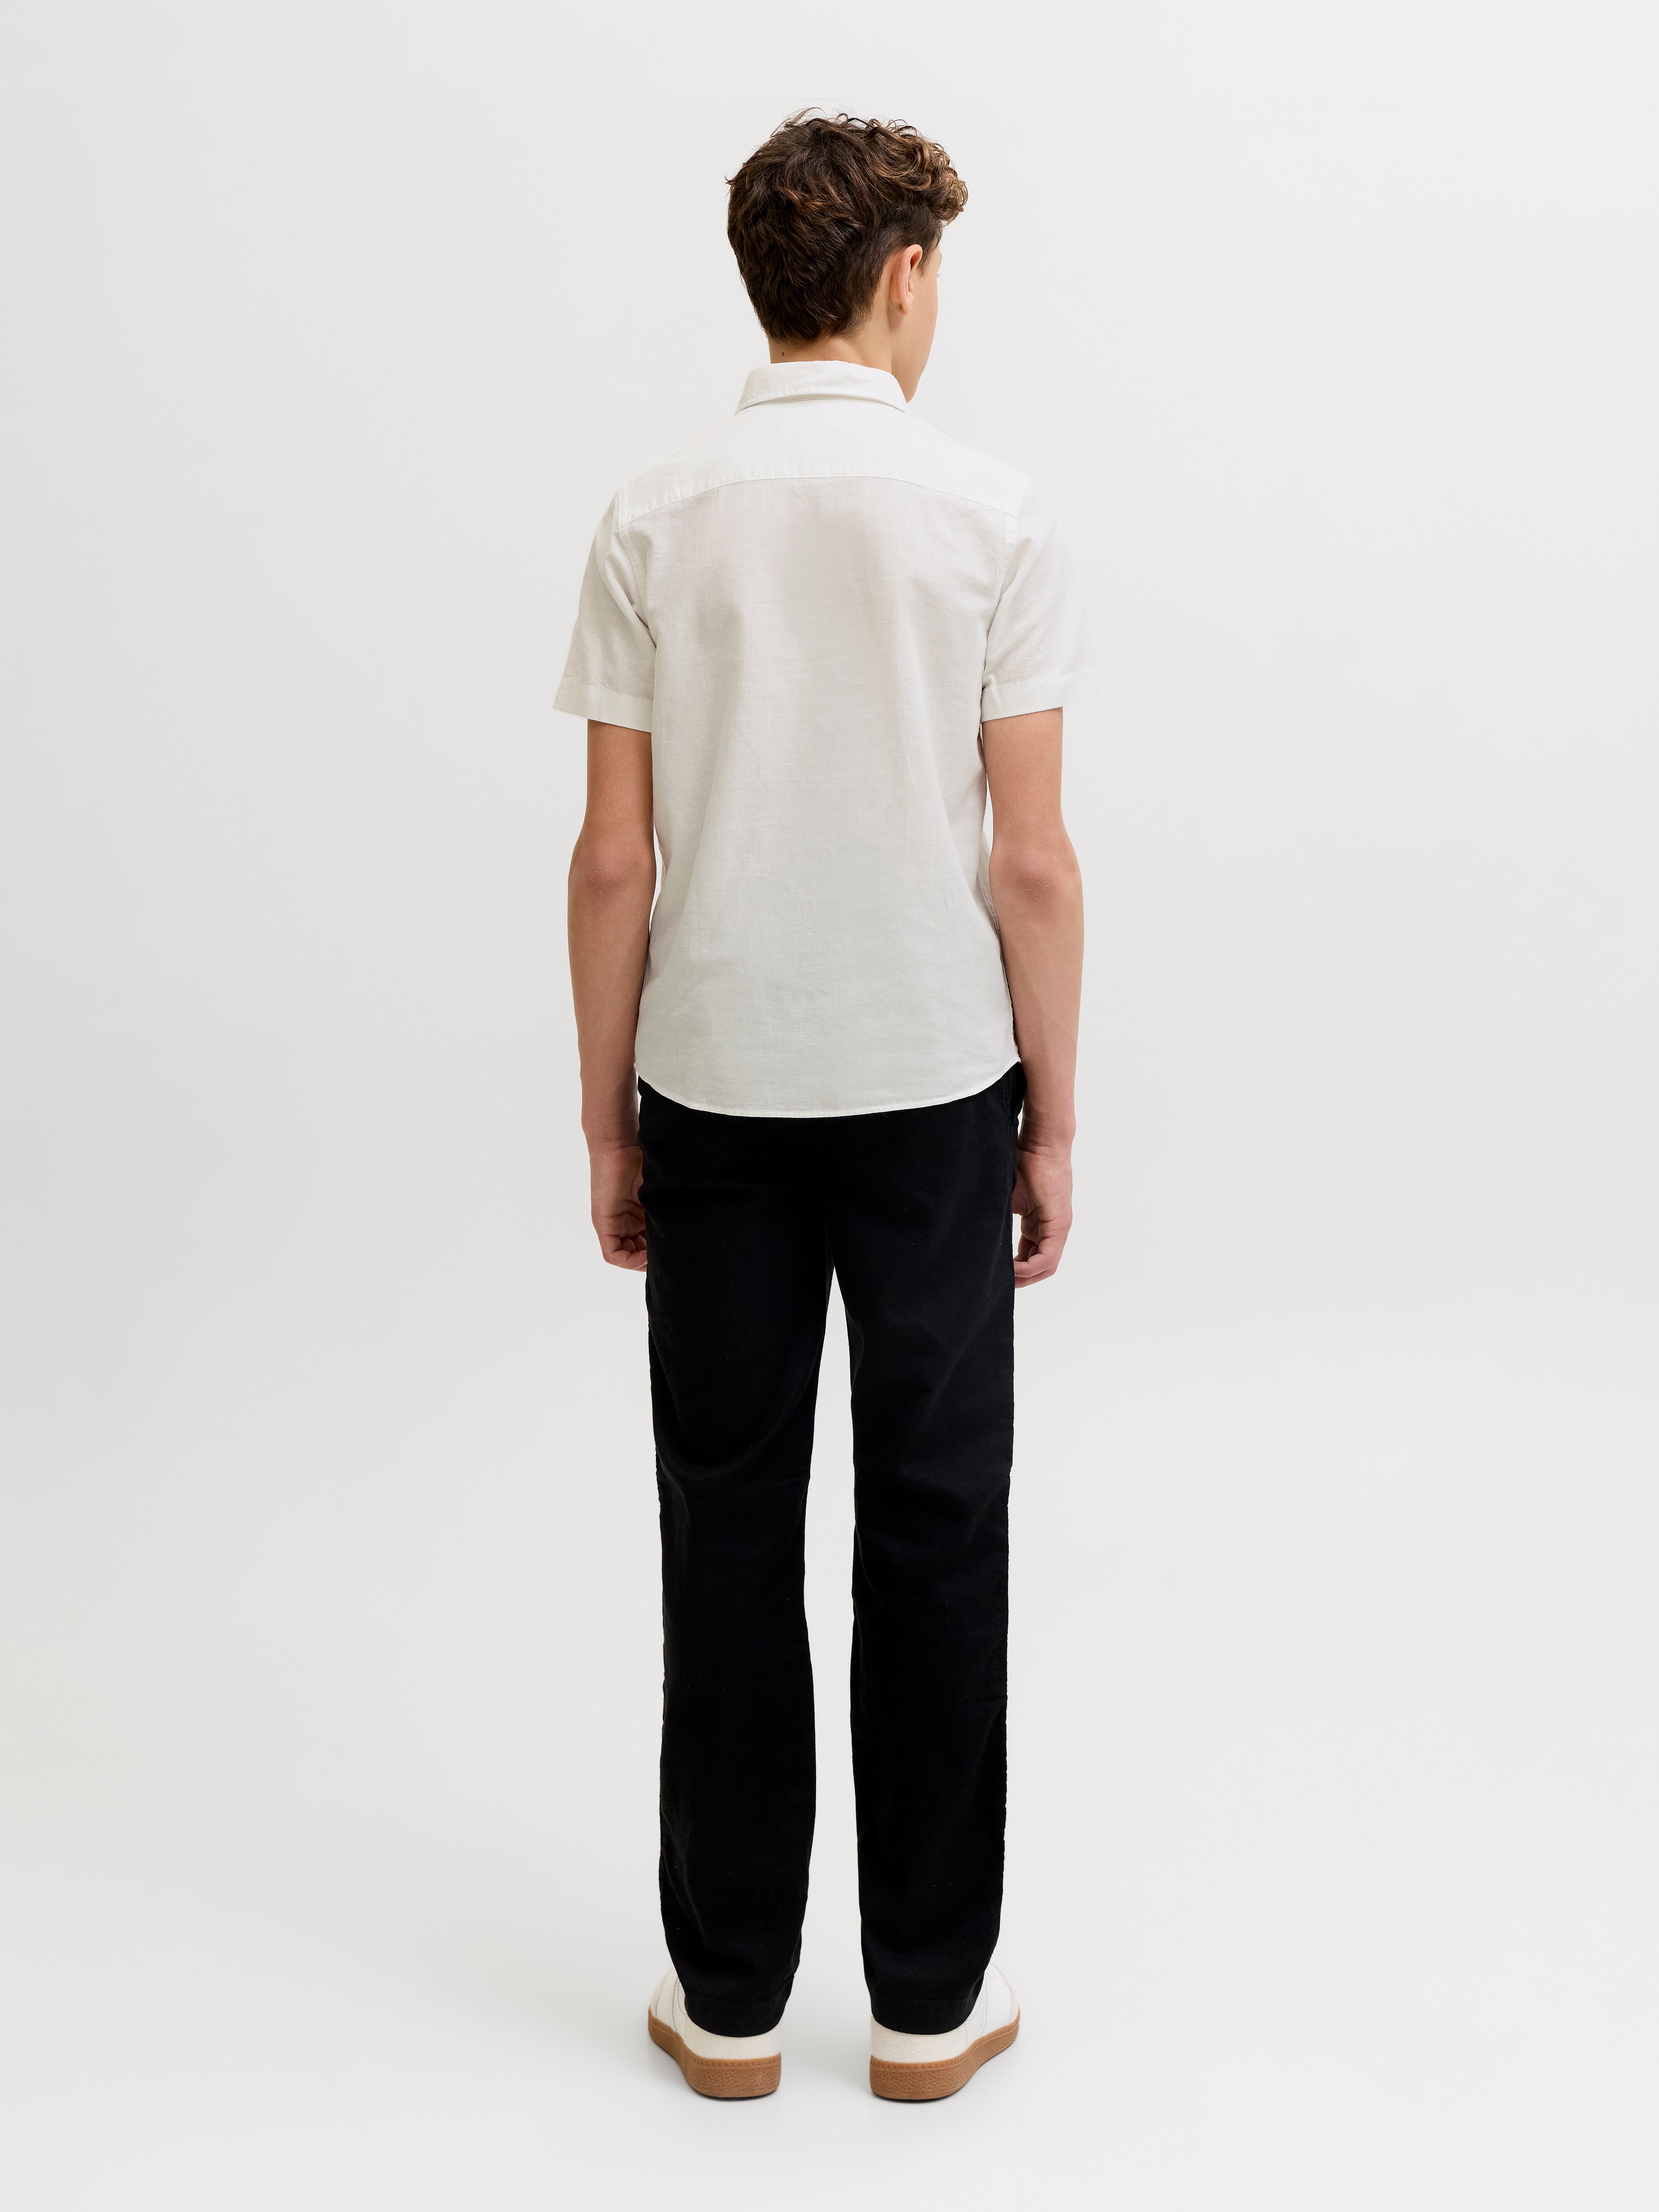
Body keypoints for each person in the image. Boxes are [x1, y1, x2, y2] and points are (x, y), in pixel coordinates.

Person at [557, 111, 1094, 2102]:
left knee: (727, 1518)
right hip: (933, 1083)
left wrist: (607, 1121)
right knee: (937, 1521)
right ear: (904, 276)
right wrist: (1054, 1119)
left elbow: (614, 862)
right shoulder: (994, 517)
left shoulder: (653, 518)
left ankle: (729, 2002)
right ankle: (930, 2003)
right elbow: (1030, 862)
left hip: (715, 1081)